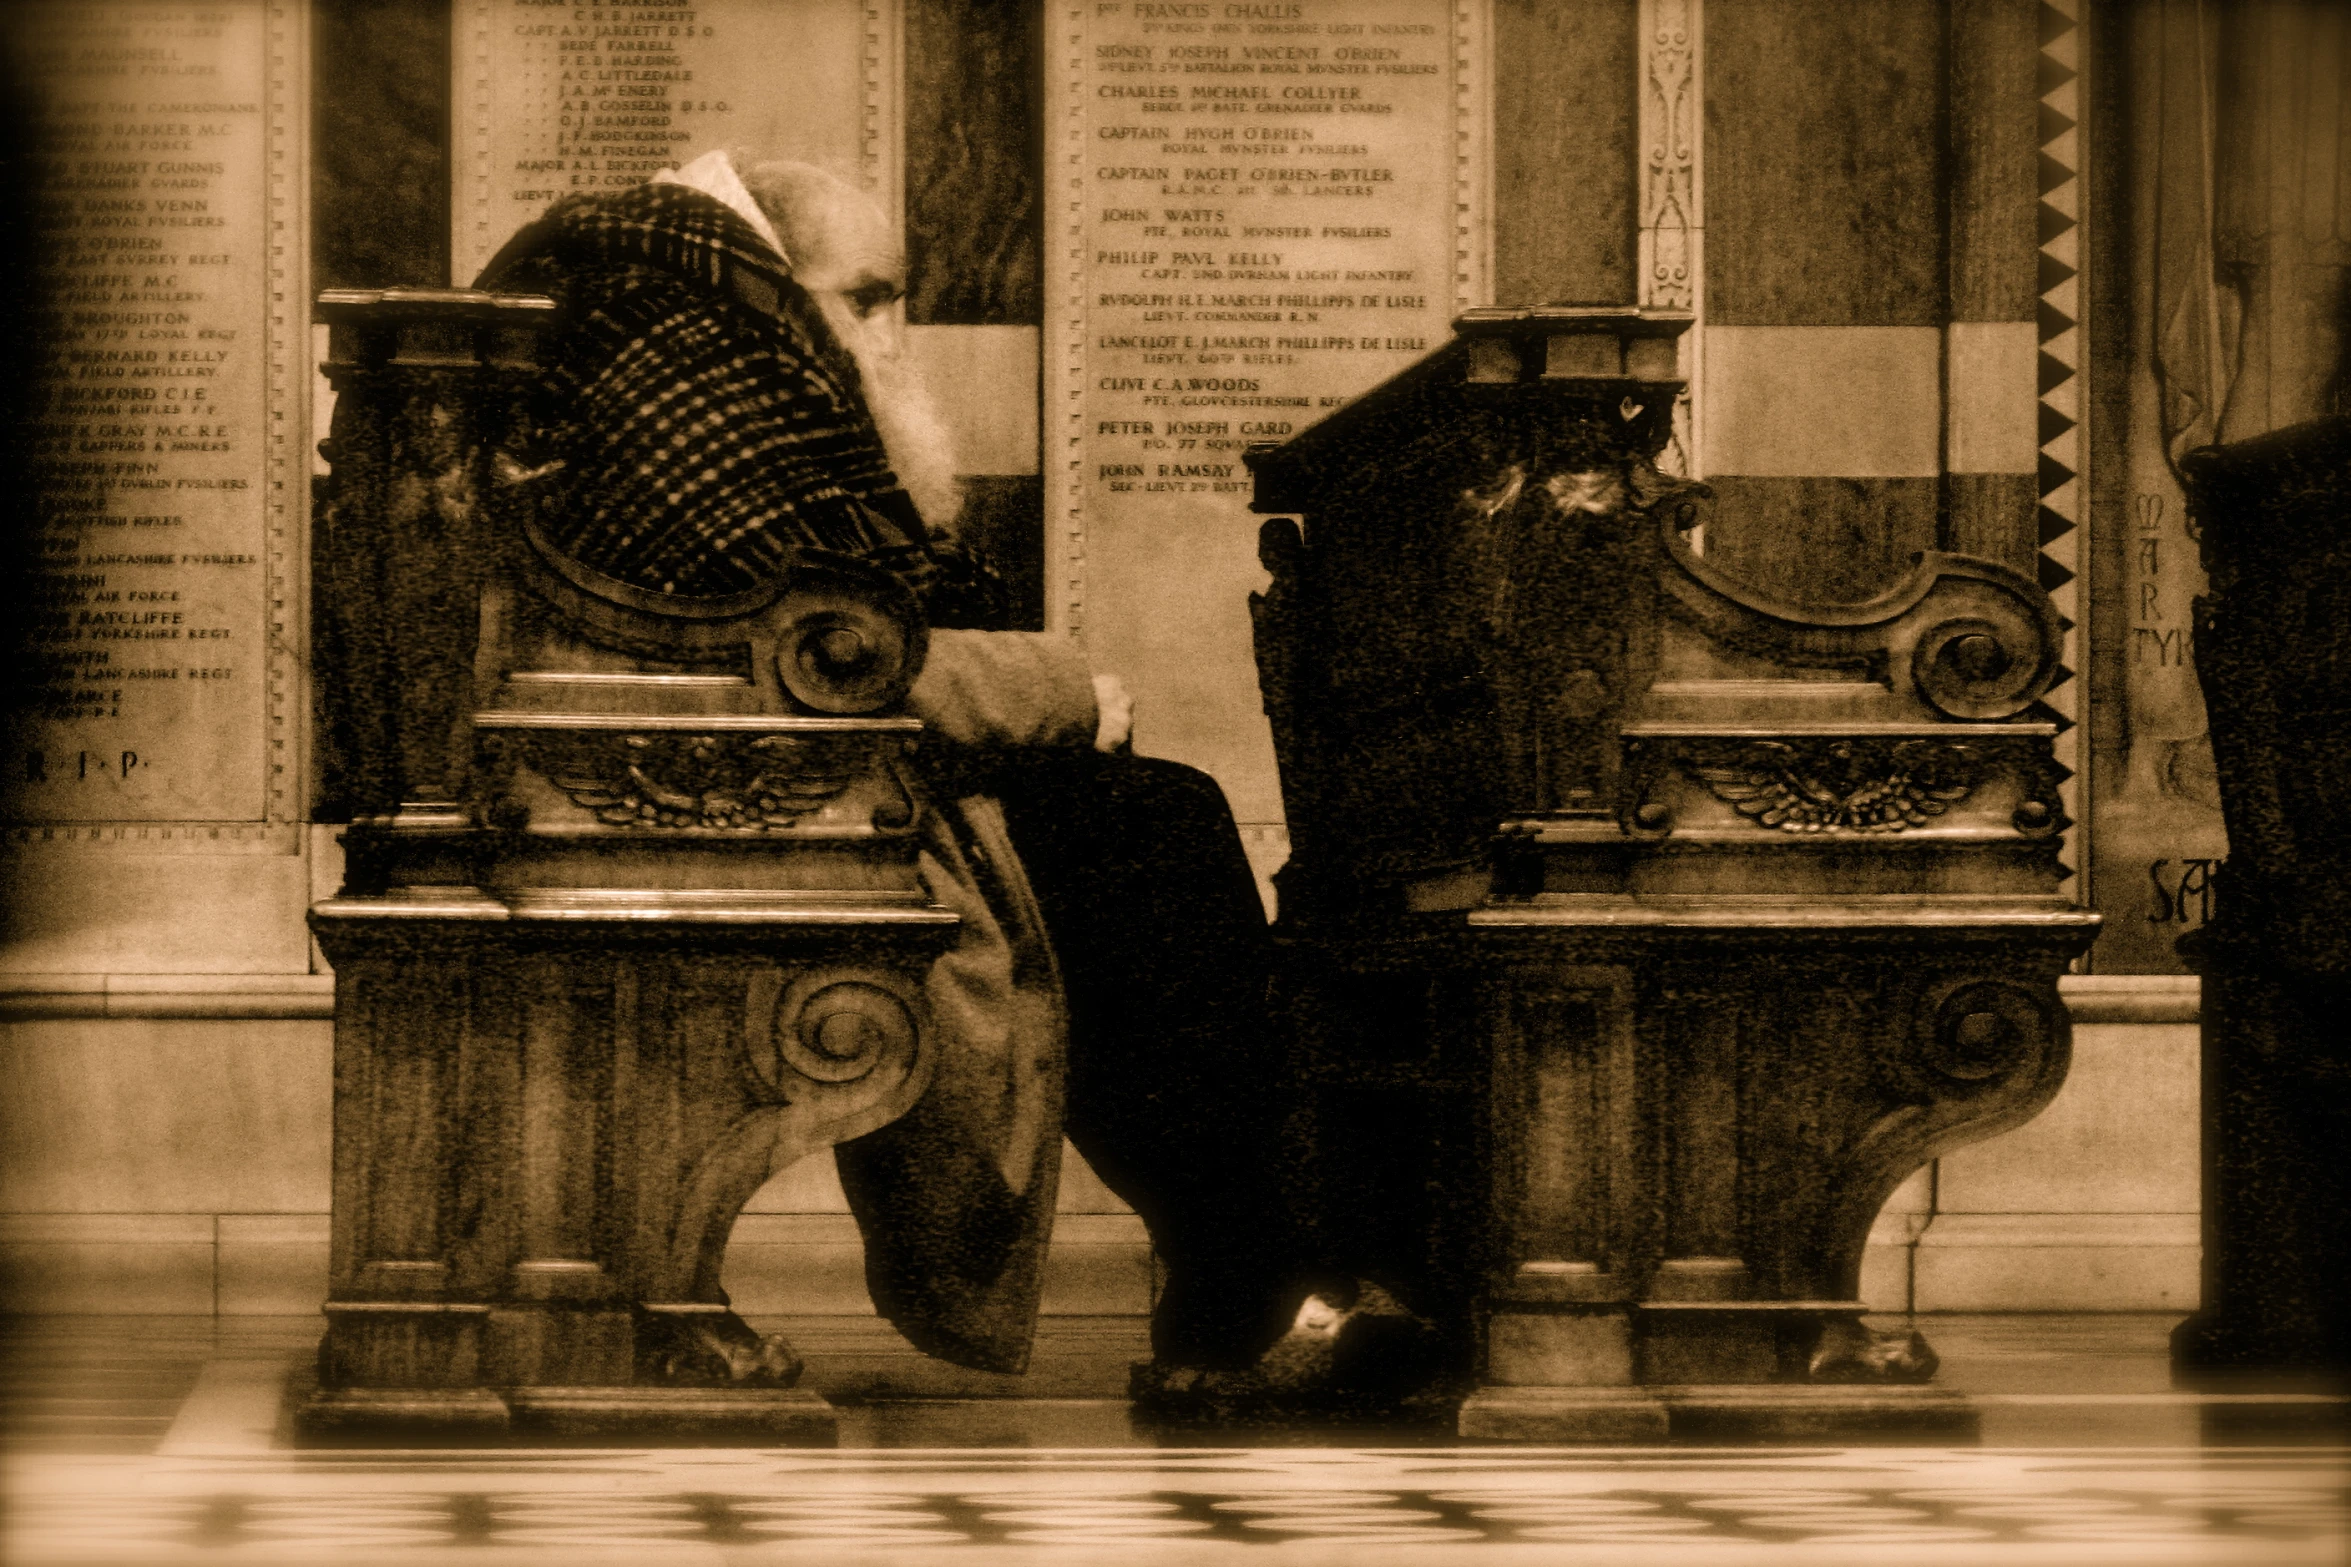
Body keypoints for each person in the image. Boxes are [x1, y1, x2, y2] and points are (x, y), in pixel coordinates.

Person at [474, 150, 1423, 1399]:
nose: (891, 335)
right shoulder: (700, 357)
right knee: (1147, 829)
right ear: (775, 277)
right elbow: (812, 643)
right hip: (700, 782)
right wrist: (1063, 694)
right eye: (865, 297)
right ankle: (1253, 1289)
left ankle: (1260, 1279)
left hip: (703, 762)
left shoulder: (677, 340)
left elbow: (824, 629)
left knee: (1144, 821)